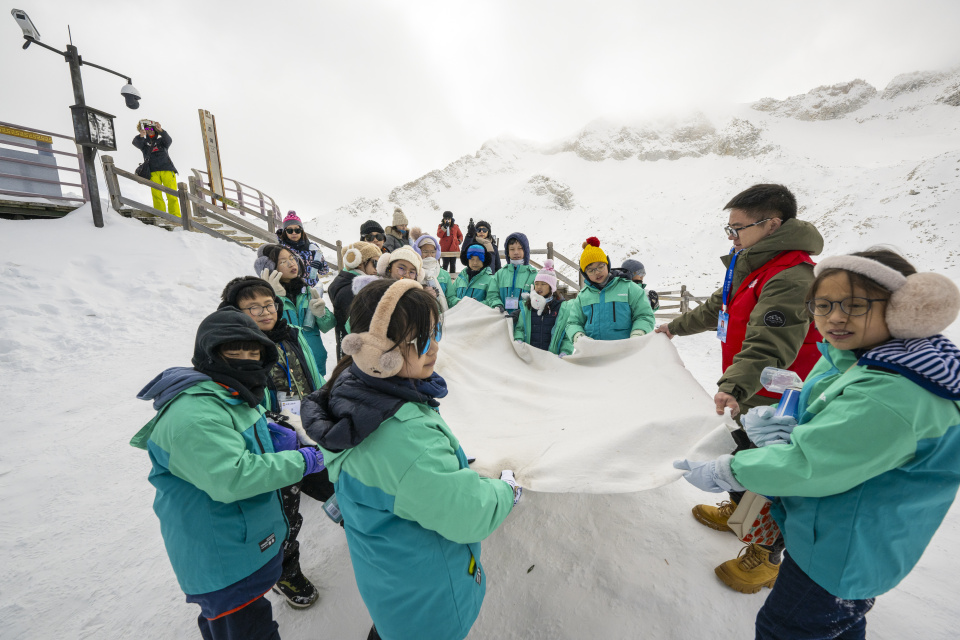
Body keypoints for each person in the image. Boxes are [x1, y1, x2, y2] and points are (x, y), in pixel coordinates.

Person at [674, 248, 960, 640]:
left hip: (842, 550)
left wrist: (729, 470)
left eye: (855, 305)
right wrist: (793, 422)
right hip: (831, 529)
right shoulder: (854, 356)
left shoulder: (892, 392)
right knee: (834, 628)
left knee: (787, 628)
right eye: (822, 305)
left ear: (904, 309)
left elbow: (809, 465)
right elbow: (840, 435)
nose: (835, 317)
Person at [300, 279, 521, 640]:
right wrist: (506, 491)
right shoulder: (405, 440)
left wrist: (443, 465)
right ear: (376, 349)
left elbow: (398, 478)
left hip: (392, 584)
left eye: (435, 333)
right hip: (431, 604)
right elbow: (469, 514)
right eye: (419, 340)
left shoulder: (350, 394)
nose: (434, 347)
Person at [654, 184, 824, 592]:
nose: (731, 236)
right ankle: (739, 515)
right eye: (728, 229)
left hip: (781, 401)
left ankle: (767, 556)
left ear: (772, 225)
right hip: (751, 391)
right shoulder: (750, 264)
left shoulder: (791, 276)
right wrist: (674, 328)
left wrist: (734, 385)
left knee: (771, 475)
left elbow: (770, 343)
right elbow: (719, 307)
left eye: (737, 228)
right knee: (741, 454)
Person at [131, 307, 326, 639]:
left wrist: (269, 438)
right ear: (208, 353)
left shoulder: (229, 393)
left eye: (254, 352)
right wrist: (304, 461)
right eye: (234, 352)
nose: (247, 360)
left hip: (241, 546)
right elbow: (234, 477)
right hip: (225, 560)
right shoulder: (193, 413)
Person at [219, 277, 327, 609]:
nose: (265, 312)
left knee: (337, 485)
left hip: (310, 427)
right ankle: (285, 572)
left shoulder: (291, 333)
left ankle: (362, 530)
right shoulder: (234, 349)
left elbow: (313, 374)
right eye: (253, 308)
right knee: (284, 516)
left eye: (268, 304)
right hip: (274, 441)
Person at [255, 244, 335, 375]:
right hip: (286, 367)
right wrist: (275, 299)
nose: (291, 264)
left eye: (292, 258)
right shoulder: (263, 298)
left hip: (315, 363)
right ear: (270, 268)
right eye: (283, 262)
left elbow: (328, 325)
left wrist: (322, 314)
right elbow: (263, 330)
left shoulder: (307, 291)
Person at [565, 237, 655, 347]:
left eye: (600, 266)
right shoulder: (583, 296)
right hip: (593, 352)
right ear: (585, 274)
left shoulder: (629, 288)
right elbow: (573, 323)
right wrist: (579, 337)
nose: (597, 272)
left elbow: (644, 315)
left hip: (626, 350)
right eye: (591, 270)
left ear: (607, 264)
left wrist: (638, 333)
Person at [330, 241, 382, 360]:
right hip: (354, 354)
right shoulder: (350, 290)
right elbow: (356, 326)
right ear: (358, 263)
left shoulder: (347, 283)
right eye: (375, 263)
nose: (377, 269)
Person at [513, 259, 573, 356]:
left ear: (551, 286)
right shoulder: (527, 306)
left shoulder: (561, 308)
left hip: (552, 358)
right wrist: (518, 340)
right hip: (530, 357)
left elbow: (567, 335)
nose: (539, 287)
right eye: (536, 283)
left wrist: (565, 351)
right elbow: (520, 329)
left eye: (543, 284)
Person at [132, 120, 180, 217]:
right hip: (153, 172)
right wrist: (141, 135)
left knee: (172, 195)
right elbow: (135, 143)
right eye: (146, 128)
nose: (149, 130)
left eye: (151, 128)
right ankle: (160, 216)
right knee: (156, 195)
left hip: (167, 170)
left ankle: (176, 217)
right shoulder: (143, 143)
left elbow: (169, 140)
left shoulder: (161, 140)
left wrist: (161, 130)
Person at [492, 232, 539, 319]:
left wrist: (522, 311)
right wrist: (497, 305)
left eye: (520, 248)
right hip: (502, 321)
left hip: (524, 322)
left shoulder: (534, 275)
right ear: (508, 252)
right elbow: (492, 294)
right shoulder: (500, 274)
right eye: (512, 249)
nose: (516, 252)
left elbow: (538, 299)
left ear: (526, 251)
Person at [275, 211, 329, 285]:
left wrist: (321, 266)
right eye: (290, 230)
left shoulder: (312, 248)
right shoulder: (280, 250)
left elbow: (325, 271)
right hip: (291, 289)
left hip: (312, 288)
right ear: (285, 232)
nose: (294, 233)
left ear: (301, 231)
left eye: (297, 230)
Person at [449, 241, 502, 310]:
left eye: (479, 259)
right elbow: (451, 297)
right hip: (459, 315)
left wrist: (475, 305)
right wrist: (458, 302)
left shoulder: (490, 279)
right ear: (467, 260)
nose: (475, 263)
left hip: (479, 315)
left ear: (484, 260)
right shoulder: (460, 278)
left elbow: (492, 300)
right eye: (472, 259)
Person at [414, 234, 453, 309]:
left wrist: (457, 302)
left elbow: (450, 297)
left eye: (432, 252)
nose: (429, 255)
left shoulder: (444, 274)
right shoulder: (414, 273)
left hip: (443, 314)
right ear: (418, 252)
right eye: (425, 251)